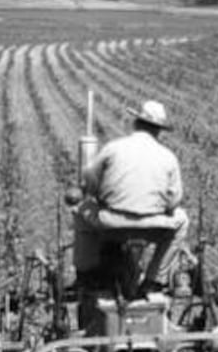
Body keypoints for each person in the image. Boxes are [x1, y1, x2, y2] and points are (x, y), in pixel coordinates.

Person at [72, 100, 189, 293]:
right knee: (182, 220)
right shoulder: (168, 157)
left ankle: (85, 275)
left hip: (111, 225)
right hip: (152, 227)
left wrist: (98, 195)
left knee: (81, 210)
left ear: (136, 123)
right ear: (159, 131)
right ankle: (154, 280)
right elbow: (174, 200)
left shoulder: (113, 148)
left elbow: (90, 183)